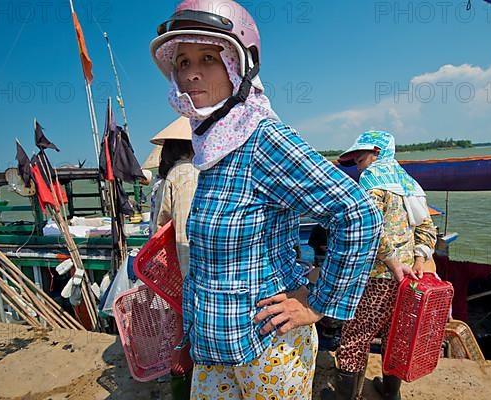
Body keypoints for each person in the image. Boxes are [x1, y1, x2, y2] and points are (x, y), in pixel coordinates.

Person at [149, 1, 383, 399]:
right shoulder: (213, 143)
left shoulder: (262, 139)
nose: (191, 73)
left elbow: (358, 214)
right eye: (183, 60)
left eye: (209, 57)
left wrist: (317, 302)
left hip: (267, 348)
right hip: (214, 346)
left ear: (239, 65)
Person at [324, 131, 438, 400]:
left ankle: (345, 397)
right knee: (394, 335)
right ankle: (390, 393)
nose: (357, 161)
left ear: (377, 153)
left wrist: (391, 261)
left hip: (376, 277)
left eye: (360, 155)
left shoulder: (372, 180)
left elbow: (369, 227)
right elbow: (427, 228)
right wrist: (419, 260)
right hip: (408, 279)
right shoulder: (409, 184)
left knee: (354, 338)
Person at [149, 116, 199, 278]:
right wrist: (189, 278)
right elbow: (184, 234)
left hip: (171, 265)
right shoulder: (187, 173)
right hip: (185, 269)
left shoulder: (176, 172)